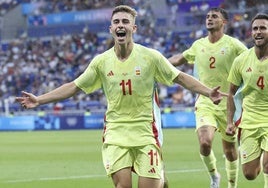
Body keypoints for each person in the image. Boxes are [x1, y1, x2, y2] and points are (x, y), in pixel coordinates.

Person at [16, 5, 226, 188]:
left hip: (145, 133)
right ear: (111, 29)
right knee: (123, 185)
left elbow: (180, 77)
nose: (120, 25)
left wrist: (208, 91)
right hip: (116, 133)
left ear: (133, 28)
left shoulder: (151, 57)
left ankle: (160, 178)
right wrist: (39, 99)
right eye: (116, 21)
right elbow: (74, 87)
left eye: (126, 21)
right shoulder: (101, 61)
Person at [168, 7, 247, 188]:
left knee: (230, 151)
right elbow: (180, 58)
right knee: (204, 142)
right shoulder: (198, 45)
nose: (209, 19)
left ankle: (232, 185)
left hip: (229, 104)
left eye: (214, 16)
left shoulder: (234, 45)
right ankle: (214, 178)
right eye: (208, 16)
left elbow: (252, 59)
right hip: (205, 100)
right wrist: (161, 63)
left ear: (224, 22)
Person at [226, 13, 268, 188]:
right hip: (249, 121)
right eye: (255, 28)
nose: (258, 32)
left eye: (263, 28)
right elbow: (231, 93)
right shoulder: (241, 60)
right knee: (249, 174)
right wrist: (229, 122)